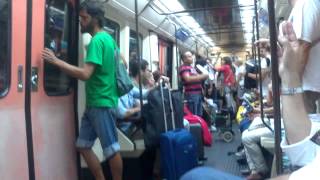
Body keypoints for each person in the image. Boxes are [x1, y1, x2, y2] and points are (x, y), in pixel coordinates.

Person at [42, 3, 122, 180]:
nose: (81, 22)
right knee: (83, 145)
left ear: (95, 19)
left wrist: (57, 62)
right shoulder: (109, 40)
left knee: (111, 148)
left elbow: (86, 74)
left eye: (84, 18)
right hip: (96, 102)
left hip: (102, 102)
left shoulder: (97, 41)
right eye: (80, 18)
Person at [256, 0, 320, 113]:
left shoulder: (304, 5)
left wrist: (291, 87)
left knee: (302, 128)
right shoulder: (301, 8)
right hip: (306, 84)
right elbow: (296, 49)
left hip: (306, 86)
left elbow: (302, 48)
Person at [179, 51, 208, 116]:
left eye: (191, 56)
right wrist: (203, 76)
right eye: (189, 57)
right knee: (193, 114)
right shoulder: (184, 68)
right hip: (191, 94)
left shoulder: (192, 68)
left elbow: (197, 78)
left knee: (199, 114)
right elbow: (188, 79)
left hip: (198, 94)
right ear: (184, 59)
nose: (191, 58)